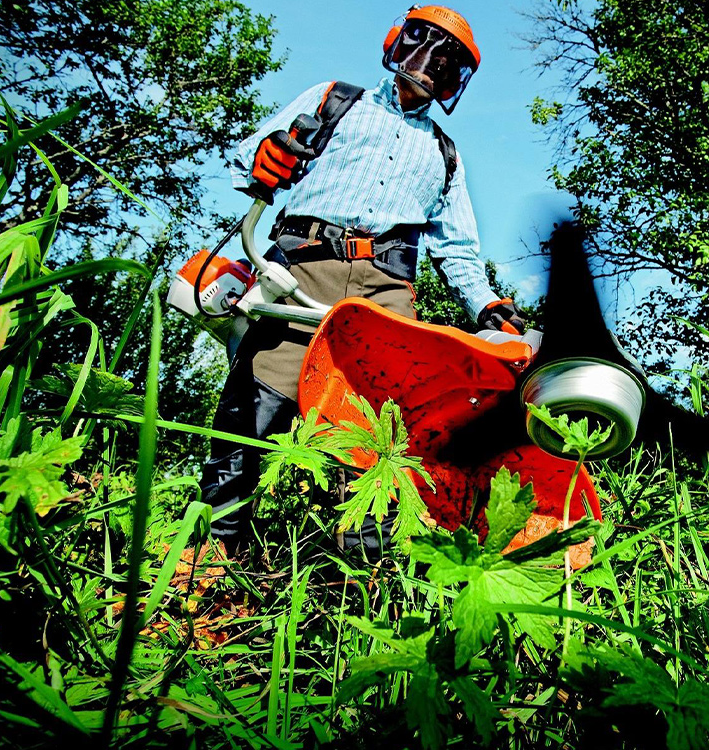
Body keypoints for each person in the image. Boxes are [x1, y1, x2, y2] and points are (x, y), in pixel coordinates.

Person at [198, 5, 525, 555]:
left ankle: (360, 576)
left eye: (446, 64)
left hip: (385, 290)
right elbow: (247, 157)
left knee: (382, 431)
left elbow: (459, 250)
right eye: (421, 47)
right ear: (396, 42)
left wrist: (486, 305)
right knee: (256, 407)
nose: (428, 67)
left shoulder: (445, 153)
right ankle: (208, 553)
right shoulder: (335, 99)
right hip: (304, 265)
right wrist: (266, 156)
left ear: (456, 81)